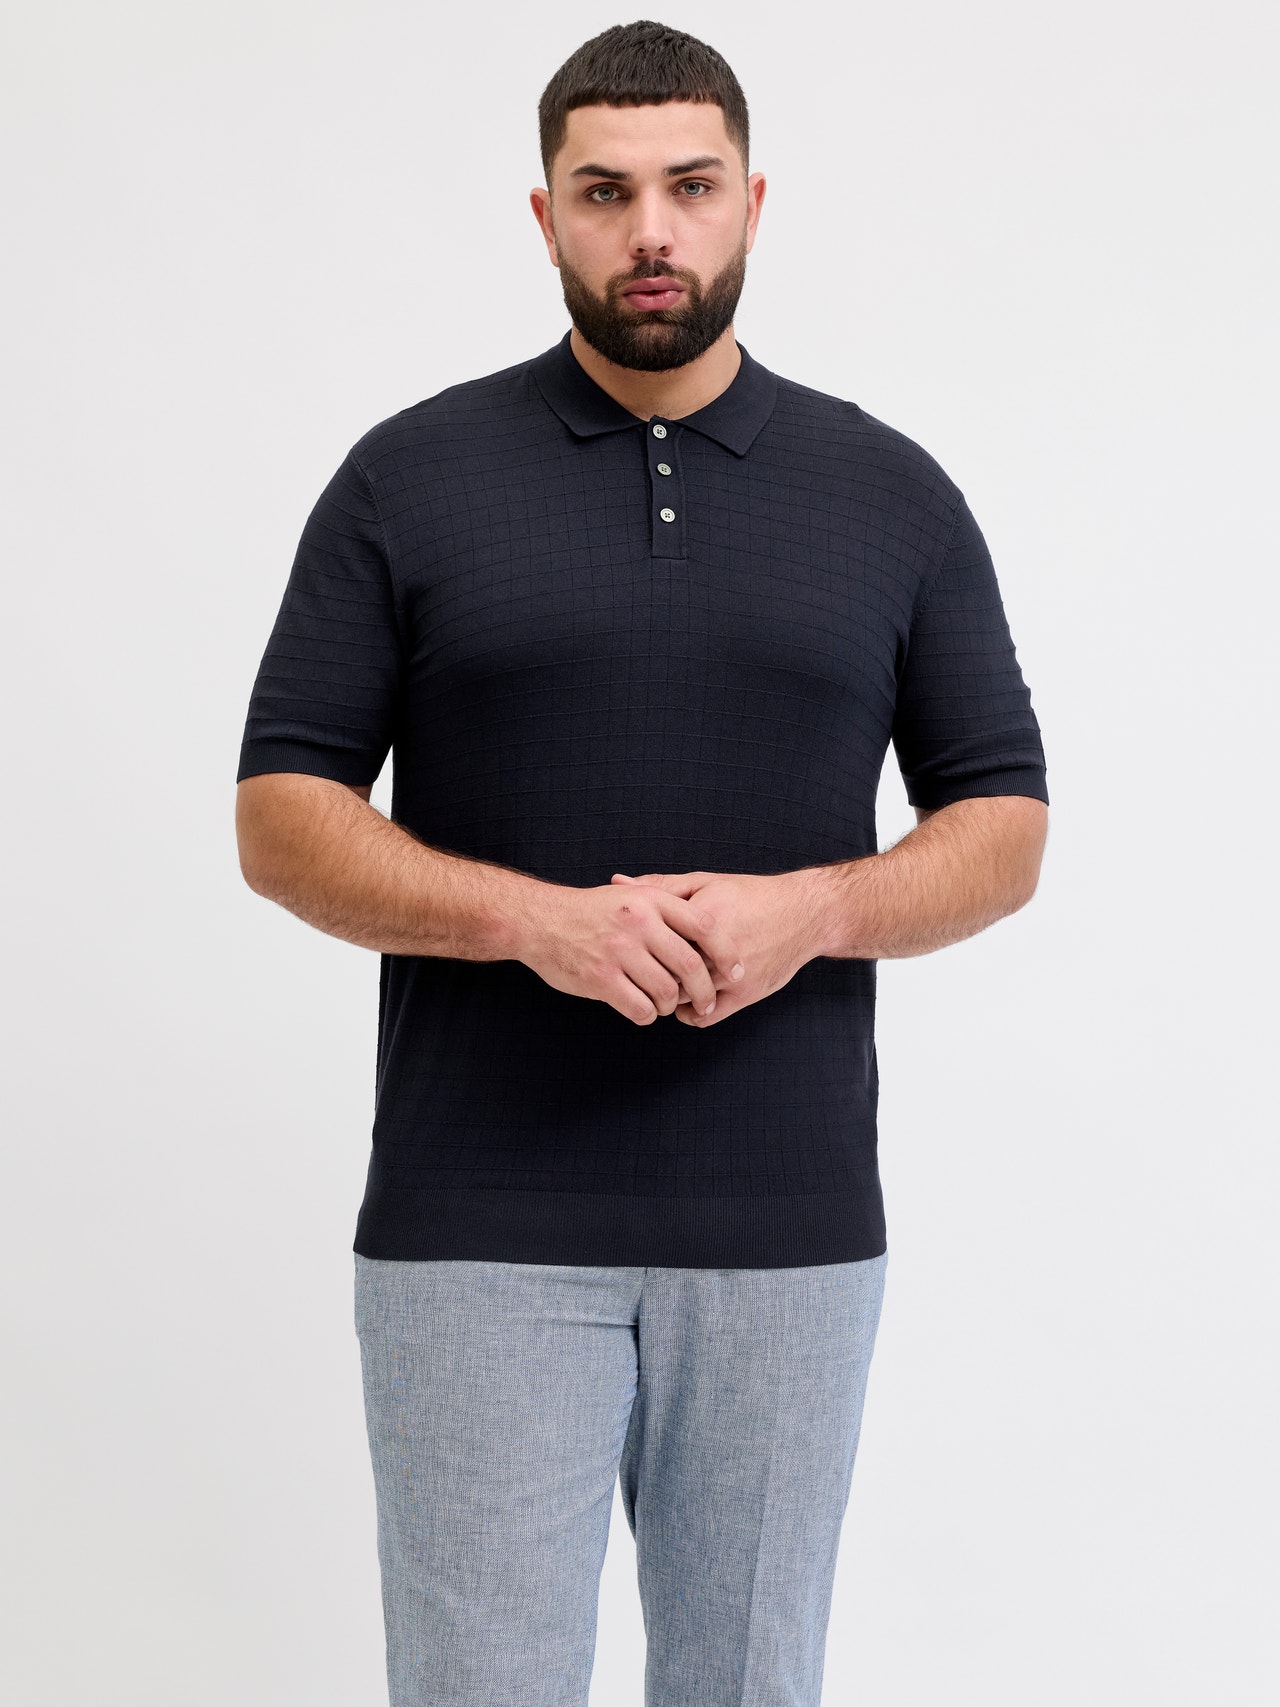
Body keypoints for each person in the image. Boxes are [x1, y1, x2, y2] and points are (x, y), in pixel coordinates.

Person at [234, 19, 1049, 1707]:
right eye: (605, 194)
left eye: (690, 186)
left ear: (753, 201)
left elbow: (1005, 822)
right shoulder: (409, 478)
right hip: (473, 1228)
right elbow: (282, 813)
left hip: (788, 1229)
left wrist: (815, 911)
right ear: (547, 216)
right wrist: (529, 923)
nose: (651, 231)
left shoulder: (890, 492)